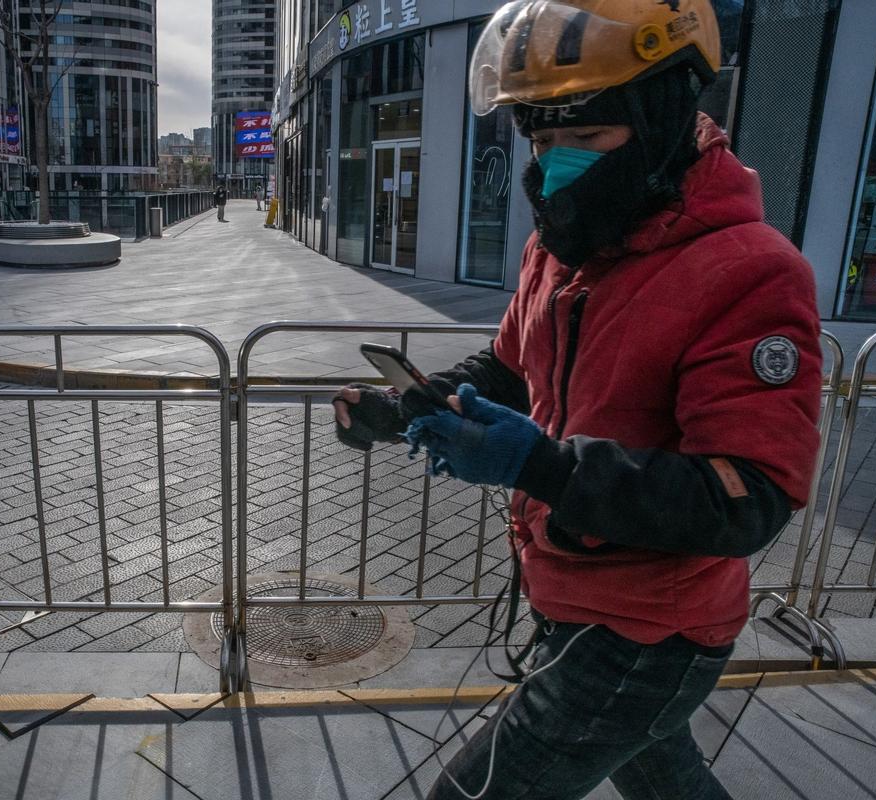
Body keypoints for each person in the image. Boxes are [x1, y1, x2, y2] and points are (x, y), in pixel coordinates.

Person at [332, 2, 821, 798]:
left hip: (651, 629)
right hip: (567, 593)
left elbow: (748, 500)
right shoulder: (558, 250)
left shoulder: (751, 271)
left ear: (663, 116)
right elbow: (506, 366)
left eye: (586, 139)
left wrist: (545, 466)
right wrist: (406, 405)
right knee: (670, 784)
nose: (558, 164)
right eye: (542, 140)